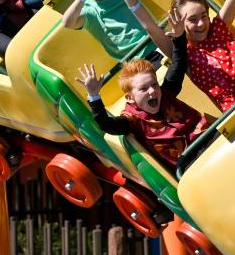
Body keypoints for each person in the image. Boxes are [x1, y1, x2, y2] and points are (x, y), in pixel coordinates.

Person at [75, 9, 214, 168]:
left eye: (154, 85)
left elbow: (179, 62)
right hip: (190, 162)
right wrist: (94, 96)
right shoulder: (131, 120)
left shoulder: (166, 92)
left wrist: (178, 34)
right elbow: (107, 124)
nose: (152, 91)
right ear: (130, 97)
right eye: (143, 89)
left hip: (208, 137)